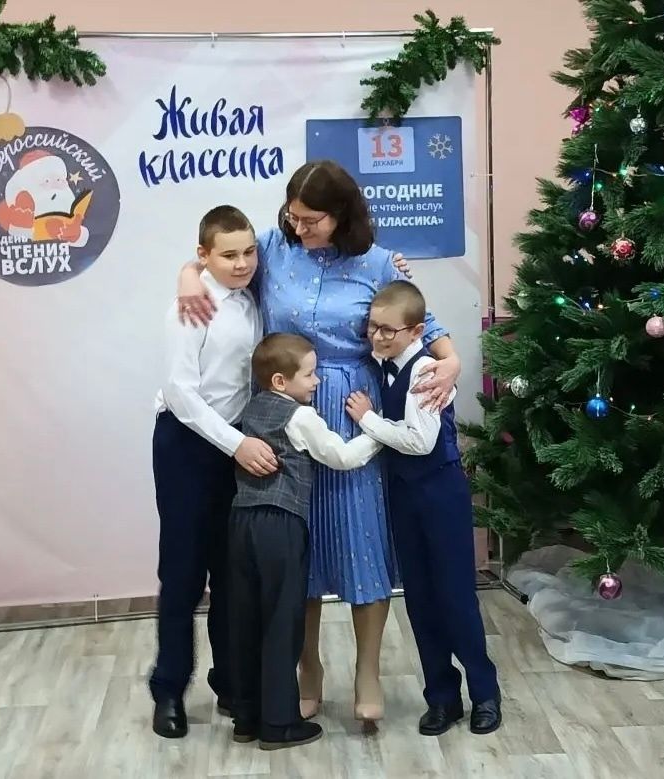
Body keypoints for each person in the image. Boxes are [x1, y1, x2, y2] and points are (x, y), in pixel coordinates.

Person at [176, 160, 461, 723]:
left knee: (362, 541)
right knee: (295, 547)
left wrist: (450, 362)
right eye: (293, 215)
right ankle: (309, 668)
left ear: (342, 215)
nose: (298, 226)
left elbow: (424, 326)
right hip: (285, 414)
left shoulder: (379, 263)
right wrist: (188, 275)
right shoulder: (272, 247)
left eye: (311, 219)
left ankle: (368, 672)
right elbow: (219, 260)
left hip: (355, 411)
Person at [345, 280, 502, 736]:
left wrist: (368, 420)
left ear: (416, 331)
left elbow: (420, 441)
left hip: (440, 494)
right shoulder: (383, 365)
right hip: (404, 496)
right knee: (419, 599)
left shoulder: (427, 370)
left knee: (455, 597)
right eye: (373, 327)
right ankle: (441, 697)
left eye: (388, 330)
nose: (377, 337)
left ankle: (485, 694)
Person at [150, 205, 279, 740]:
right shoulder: (191, 306)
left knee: (233, 574)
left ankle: (231, 684)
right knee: (183, 574)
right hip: (188, 446)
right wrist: (236, 444)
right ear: (204, 255)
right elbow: (181, 395)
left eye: (249, 252)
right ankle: (168, 691)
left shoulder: (252, 296)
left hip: (235, 444)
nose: (242, 262)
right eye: (229, 255)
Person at [229, 333, 383, 750]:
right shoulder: (301, 417)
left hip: (241, 521)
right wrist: (378, 433)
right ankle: (280, 723)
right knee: (284, 620)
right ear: (281, 381)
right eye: (310, 374)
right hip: (281, 524)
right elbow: (342, 457)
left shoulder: (251, 407)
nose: (318, 381)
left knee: (247, 619)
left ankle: (246, 717)